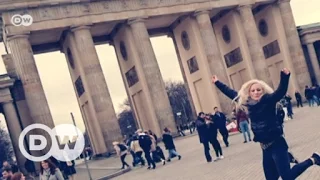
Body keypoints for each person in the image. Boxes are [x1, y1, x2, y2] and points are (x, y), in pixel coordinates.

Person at [212, 68, 320, 180]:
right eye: (253, 91)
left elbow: (280, 92)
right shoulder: (247, 102)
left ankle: (313, 159)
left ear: (263, 91)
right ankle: (287, 158)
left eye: (258, 90)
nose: (256, 92)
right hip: (265, 147)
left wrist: (284, 76)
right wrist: (217, 82)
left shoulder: (269, 100)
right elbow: (230, 92)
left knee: (287, 177)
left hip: (277, 143)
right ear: (249, 93)